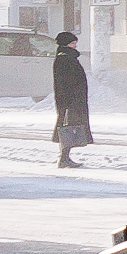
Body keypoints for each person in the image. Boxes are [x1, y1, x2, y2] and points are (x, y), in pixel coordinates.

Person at [52, 32, 91, 169]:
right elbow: (64, 82)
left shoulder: (68, 57)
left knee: (69, 128)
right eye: (73, 43)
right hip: (70, 101)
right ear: (66, 44)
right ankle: (64, 158)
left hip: (73, 100)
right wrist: (69, 101)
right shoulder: (64, 58)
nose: (75, 45)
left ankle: (65, 157)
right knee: (67, 129)